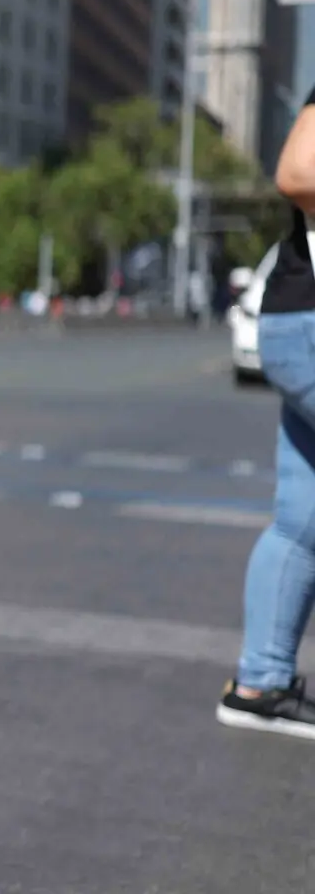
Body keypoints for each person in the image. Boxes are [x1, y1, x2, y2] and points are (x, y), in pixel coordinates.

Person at [221, 86, 315, 740]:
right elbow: (297, 170)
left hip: (297, 322)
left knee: (302, 520)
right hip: (310, 321)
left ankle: (260, 685)